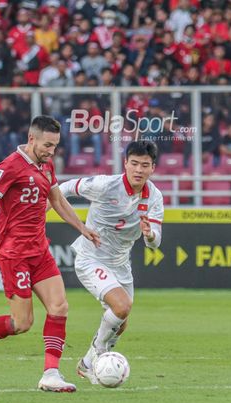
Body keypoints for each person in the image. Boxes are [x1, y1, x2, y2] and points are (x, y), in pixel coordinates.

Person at [0, 116, 100, 392]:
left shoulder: (46, 166)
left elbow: (56, 200)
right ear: (31, 139)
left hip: (39, 251)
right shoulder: (10, 166)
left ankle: (51, 374)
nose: (51, 151)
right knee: (22, 323)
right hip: (14, 254)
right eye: (47, 145)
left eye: (55, 146)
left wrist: (82, 227)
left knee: (59, 307)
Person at [59, 141, 164, 383]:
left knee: (121, 323)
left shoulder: (155, 197)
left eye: (144, 165)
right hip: (91, 258)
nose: (139, 170)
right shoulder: (105, 185)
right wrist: (48, 205)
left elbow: (154, 242)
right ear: (125, 163)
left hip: (120, 264)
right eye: (134, 163)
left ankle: (86, 363)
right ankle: (98, 355)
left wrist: (149, 234)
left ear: (153, 168)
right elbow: (65, 188)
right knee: (121, 307)